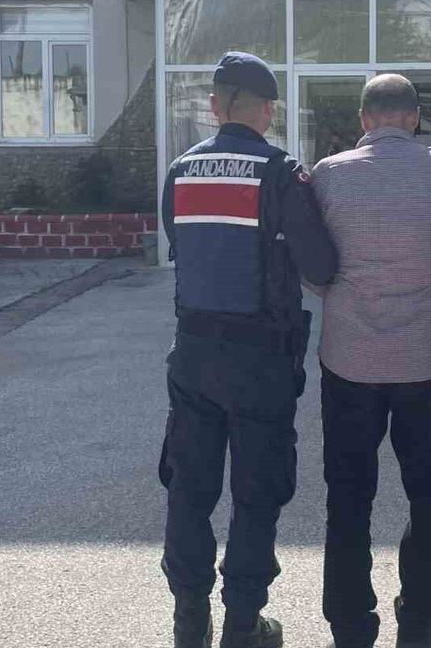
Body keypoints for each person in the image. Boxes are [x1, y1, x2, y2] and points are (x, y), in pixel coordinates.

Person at [159, 51, 337, 648]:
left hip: (193, 354)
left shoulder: (182, 170)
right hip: (261, 360)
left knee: (190, 489)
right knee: (256, 493)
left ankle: (189, 622)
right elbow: (321, 266)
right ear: (268, 111)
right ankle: (243, 626)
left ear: (215, 106)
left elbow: (179, 245)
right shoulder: (282, 173)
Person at [307, 74, 431, 648]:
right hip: (430, 359)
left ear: (364, 120)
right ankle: (419, 622)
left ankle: (350, 625)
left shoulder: (328, 174)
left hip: (349, 361)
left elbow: (315, 269)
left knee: (348, 495)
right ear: (416, 119)